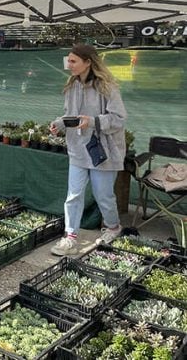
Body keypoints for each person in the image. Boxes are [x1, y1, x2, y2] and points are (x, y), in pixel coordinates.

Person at [49, 44, 127, 256]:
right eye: (69, 60)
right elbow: (70, 114)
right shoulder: (71, 86)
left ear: (88, 62)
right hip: (77, 149)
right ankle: (70, 236)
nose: (69, 65)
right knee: (73, 195)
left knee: (103, 195)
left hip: (102, 151)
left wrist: (92, 121)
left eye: (73, 61)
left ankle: (113, 227)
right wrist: (59, 124)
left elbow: (119, 119)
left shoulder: (107, 87)